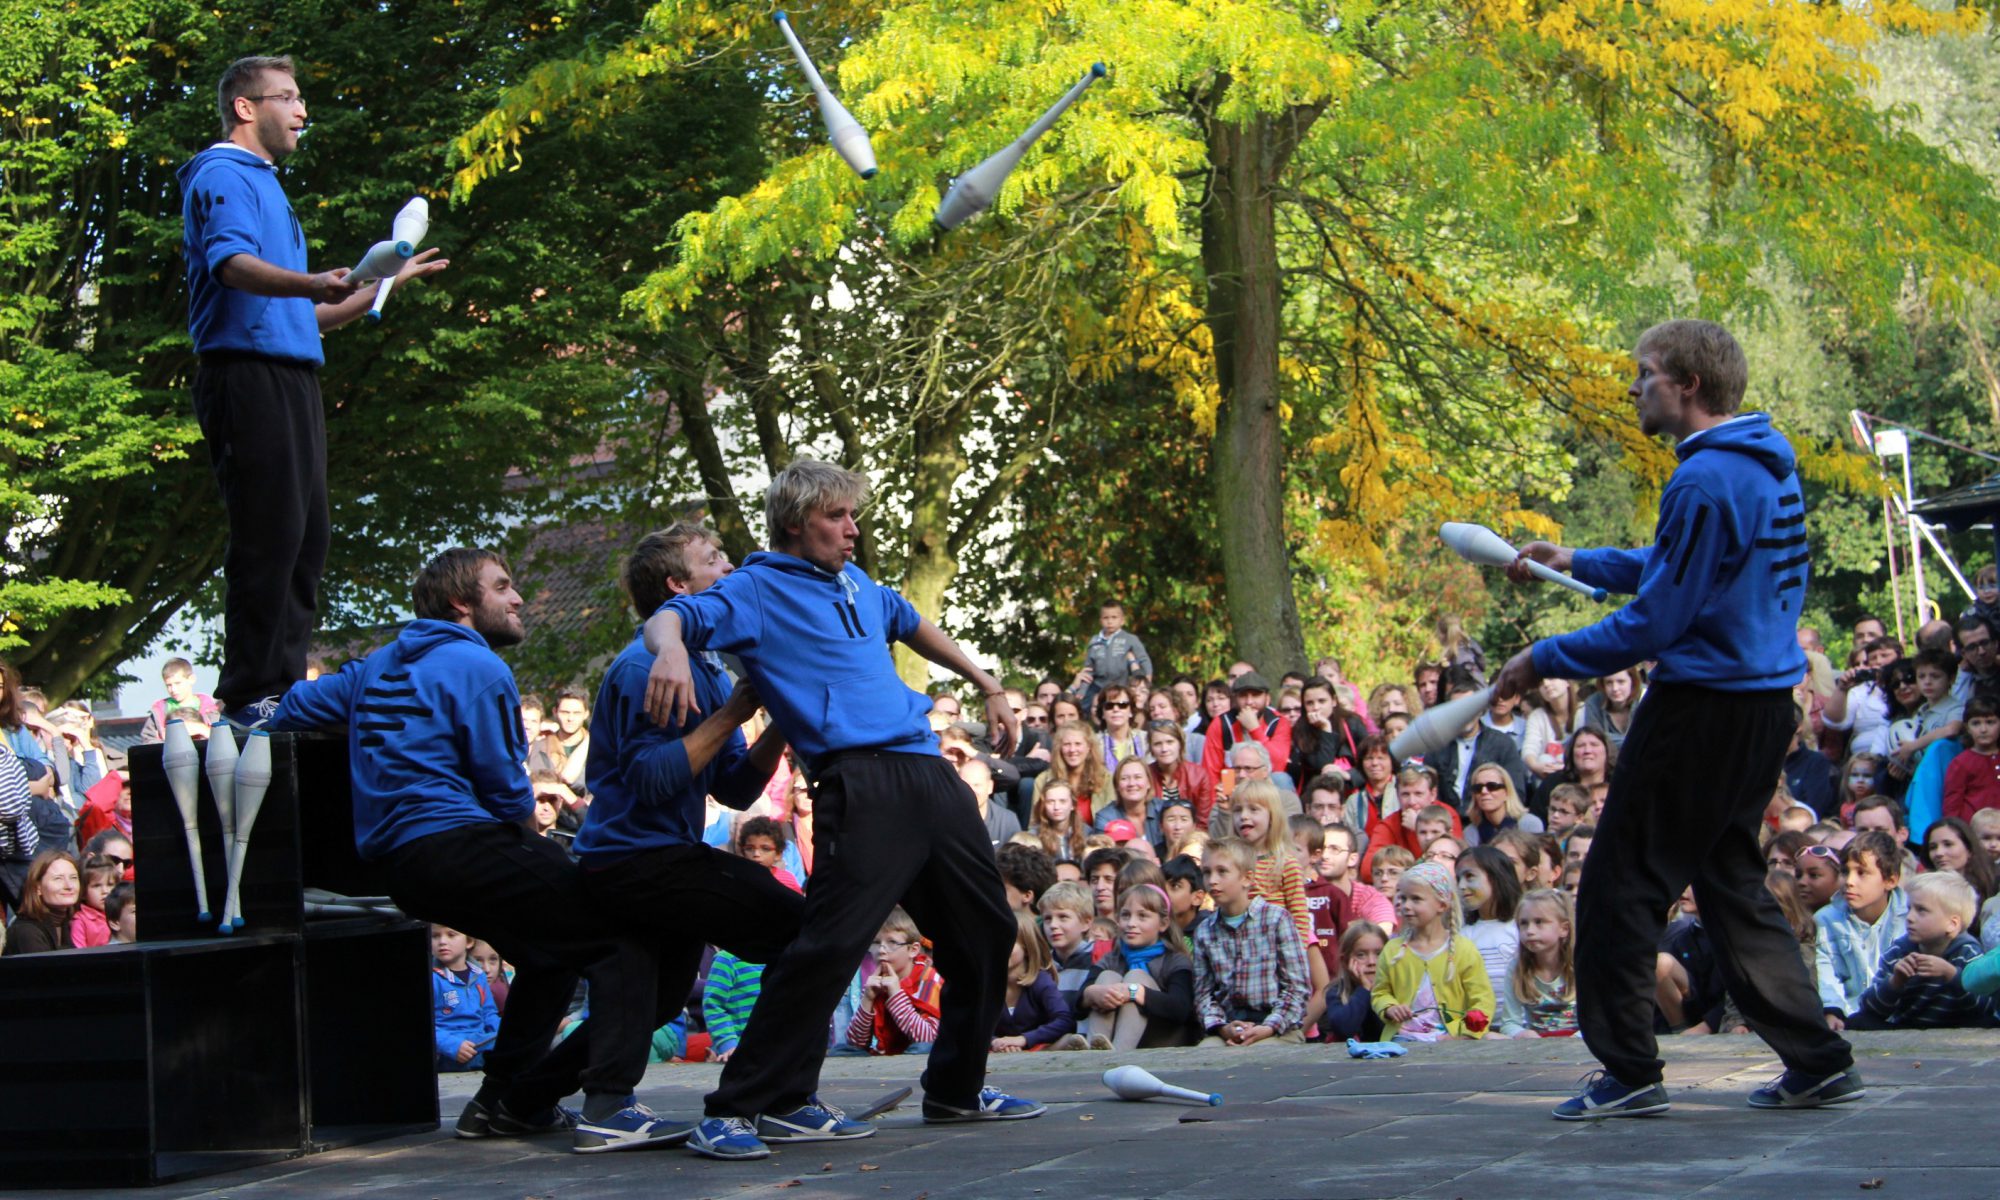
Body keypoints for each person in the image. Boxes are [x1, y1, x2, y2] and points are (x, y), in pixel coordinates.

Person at [1496, 319, 1857, 1119]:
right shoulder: (1761, 463)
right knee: (1728, 880)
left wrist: (1541, 659)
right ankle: (1818, 1056)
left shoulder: (1700, 482)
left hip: (1701, 709)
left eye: (1645, 373)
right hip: (1762, 706)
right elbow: (1689, 572)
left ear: (1687, 384)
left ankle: (1628, 1070)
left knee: (1622, 881)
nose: (1634, 387)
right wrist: (1579, 561)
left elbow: (1655, 623)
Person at [640, 460, 1039, 1128]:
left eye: (854, 516)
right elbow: (669, 619)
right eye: (837, 517)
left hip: (928, 773)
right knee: (828, 947)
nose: (852, 530)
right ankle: (736, 1108)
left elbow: (910, 620)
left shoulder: (854, 581)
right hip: (860, 782)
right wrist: (673, 652)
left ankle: (956, 1089)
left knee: (989, 929)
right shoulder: (756, 589)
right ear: (797, 523)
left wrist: (987, 681)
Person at [267, 547, 665, 1152]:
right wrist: (538, 839)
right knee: (623, 935)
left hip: (401, 865)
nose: (518, 598)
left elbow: (293, 706)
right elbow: (506, 791)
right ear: (462, 602)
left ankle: (499, 1104)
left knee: (551, 953)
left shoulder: (377, 665)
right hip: (459, 840)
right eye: (502, 587)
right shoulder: (479, 668)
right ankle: (610, 1106)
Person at [180, 56, 445, 721]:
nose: (303, 112)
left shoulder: (267, 185)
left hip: (292, 375)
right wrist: (310, 282)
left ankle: (281, 688)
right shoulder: (222, 175)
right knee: (269, 533)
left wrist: (383, 284)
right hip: (245, 375)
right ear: (247, 108)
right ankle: (248, 695)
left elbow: (311, 315)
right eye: (289, 98)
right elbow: (233, 267)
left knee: (306, 536)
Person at [1191, 838, 1310, 1046]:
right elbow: (1203, 993)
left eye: (1222, 872)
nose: (1212, 880)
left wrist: (1269, 1026)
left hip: (1277, 1027)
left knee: (1258, 1056)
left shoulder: (1276, 919)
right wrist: (1221, 1027)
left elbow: (1297, 986)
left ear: (1247, 878)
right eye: (1207, 872)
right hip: (1230, 1026)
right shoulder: (1204, 931)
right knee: (1206, 1053)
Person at [1847, 873, 1991, 1029]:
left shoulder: (1967, 953)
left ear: (1952, 924)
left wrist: (1952, 975)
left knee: (1991, 1023)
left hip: (1959, 1030)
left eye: (1921, 910)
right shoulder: (1899, 951)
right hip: (1908, 1028)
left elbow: (1984, 1007)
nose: (1909, 917)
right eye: (1909, 909)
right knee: (1857, 1021)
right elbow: (1870, 1008)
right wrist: (1895, 982)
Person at [1372, 861, 1494, 1041]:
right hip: (1403, 1039)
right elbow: (1379, 992)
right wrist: (1389, 1007)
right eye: (1403, 898)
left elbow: (1482, 999)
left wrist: (1466, 1037)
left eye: (1416, 899)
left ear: (1442, 905)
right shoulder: (1393, 950)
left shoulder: (1463, 950)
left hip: (1450, 1041)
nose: (1406, 905)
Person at [1074, 883, 1197, 1048]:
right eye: (1125, 915)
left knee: (1135, 977)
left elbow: (1180, 1009)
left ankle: (1118, 1056)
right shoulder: (1112, 959)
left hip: (1162, 1040)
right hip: (1113, 1031)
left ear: (1163, 923)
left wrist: (1135, 992)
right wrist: (1091, 993)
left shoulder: (1175, 960)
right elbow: (1077, 1007)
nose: (1131, 923)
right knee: (1107, 977)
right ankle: (1096, 1050)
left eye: (1142, 916)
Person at [1814, 830, 1907, 1028]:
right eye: (1845, 872)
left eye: (1862, 872)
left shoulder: (1910, 916)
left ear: (1890, 880)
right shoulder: (1826, 919)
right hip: (1849, 1016)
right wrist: (1832, 1011)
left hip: (1901, 1015)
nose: (1849, 882)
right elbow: (1826, 973)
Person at [847, 908, 943, 1055]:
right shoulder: (877, 980)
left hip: (924, 1058)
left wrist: (896, 995)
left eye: (892, 942)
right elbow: (856, 1043)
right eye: (876, 942)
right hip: (890, 1055)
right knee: (843, 1050)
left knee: (922, 1048)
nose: (881, 950)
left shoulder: (929, 979)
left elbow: (928, 1038)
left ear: (913, 949)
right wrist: (868, 998)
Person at [1498, 888, 1579, 1038]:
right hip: (1537, 1047)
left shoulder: (1581, 965)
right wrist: (1522, 1034)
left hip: (1577, 1046)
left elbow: (1597, 1021)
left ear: (1564, 929)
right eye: (1523, 923)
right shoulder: (1517, 968)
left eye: (1539, 922)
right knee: (1490, 1037)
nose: (1529, 931)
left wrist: (1575, 1039)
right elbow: (1509, 1023)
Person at [991, 912, 1074, 1051]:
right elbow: (973, 1025)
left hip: (1039, 1050)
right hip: (996, 1055)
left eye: (1008, 942)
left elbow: (1065, 1021)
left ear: (1027, 947)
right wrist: (995, 1042)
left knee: (1068, 1040)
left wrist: (1024, 1039)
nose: (999, 949)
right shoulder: (986, 985)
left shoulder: (1040, 981)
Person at [1458, 845, 1524, 1001]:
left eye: (1470, 876)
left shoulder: (1521, 927)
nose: (1461, 886)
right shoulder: (1463, 934)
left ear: (1496, 878)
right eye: (1458, 878)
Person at [432, 925, 502, 1072]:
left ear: (469, 941)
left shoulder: (479, 975)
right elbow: (423, 1026)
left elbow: (489, 1014)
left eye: (451, 935)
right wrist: (452, 1045)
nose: (442, 941)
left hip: (480, 1040)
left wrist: (507, 1033)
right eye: (435, 936)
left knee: (519, 1040)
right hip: (451, 1050)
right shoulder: (431, 977)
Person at [1202, 672, 1292, 782]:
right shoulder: (1220, 724)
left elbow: (1277, 766)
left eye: (1256, 695)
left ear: (1267, 698)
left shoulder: (1279, 722)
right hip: (1232, 788)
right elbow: (1210, 773)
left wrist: (1254, 729)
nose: (1249, 702)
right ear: (1234, 699)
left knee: (1281, 779)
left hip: (1267, 789)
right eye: (1243, 695)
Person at [1072, 600, 1153, 706]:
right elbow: (1088, 669)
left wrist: (1146, 682)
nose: (1110, 621)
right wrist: (1082, 690)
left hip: (1121, 684)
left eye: (1114, 617)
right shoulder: (1095, 641)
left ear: (1122, 620)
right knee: (1085, 706)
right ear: (1100, 621)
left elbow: (1144, 660)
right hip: (1098, 685)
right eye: (1106, 618)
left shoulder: (1129, 639)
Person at [1038, 880, 1100, 1016]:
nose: (1053, 925)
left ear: (1086, 923)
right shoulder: (1041, 965)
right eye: (1047, 918)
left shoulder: (1099, 958)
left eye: (1063, 917)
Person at [1321, 920, 1388, 1042]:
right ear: (1345, 960)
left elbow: (1384, 1031)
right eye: (1361, 955)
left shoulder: (1396, 989)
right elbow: (1344, 1028)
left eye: (1379, 954)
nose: (1372, 962)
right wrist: (1364, 989)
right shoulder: (1337, 991)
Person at [3, 849, 79, 955]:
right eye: (58, 879)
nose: (69, 886)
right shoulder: (26, 932)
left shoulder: (66, 923)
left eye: (74, 878)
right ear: (37, 887)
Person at [139, 658, 222, 743]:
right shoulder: (160, 710)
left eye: (178, 683)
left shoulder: (209, 709)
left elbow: (221, 738)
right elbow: (148, 740)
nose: (173, 689)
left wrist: (203, 730)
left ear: (192, 679)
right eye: (168, 685)